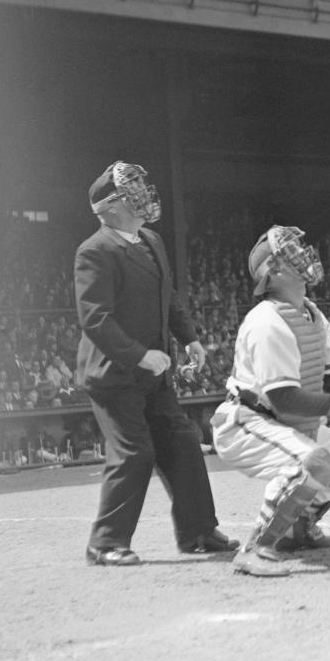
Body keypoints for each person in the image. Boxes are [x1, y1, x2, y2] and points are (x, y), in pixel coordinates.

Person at [74, 161, 237, 567]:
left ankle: (198, 531)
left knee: (183, 444)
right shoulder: (94, 251)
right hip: (114, 375)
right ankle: (106, 543)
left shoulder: (150, 240)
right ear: (111, 208)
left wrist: (191, 337)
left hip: (154, 375)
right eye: (131, 192)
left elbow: (170, 296)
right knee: (134, 453)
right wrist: (140, 354)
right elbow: (94, 318)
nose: (143, 196)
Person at [209, 226, 330, 577]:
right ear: (274, 272)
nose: (305, 254)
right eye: (291, 252)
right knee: (314, 463)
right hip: (247, 422)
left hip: (282, 420)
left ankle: (298, 529)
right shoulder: (267, 321)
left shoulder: (312, 314)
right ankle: (254, 549)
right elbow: (284, 398)